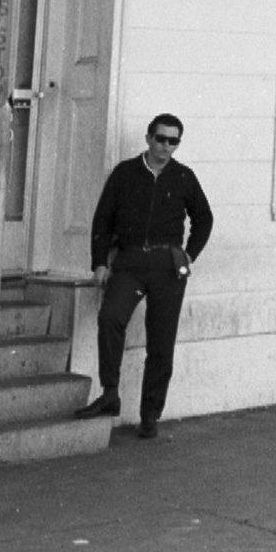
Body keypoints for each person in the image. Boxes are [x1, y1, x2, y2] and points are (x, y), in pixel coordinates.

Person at [77, 113, 214, 439]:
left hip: (167, 266)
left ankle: (150, 415)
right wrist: (100, 262)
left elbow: (204, 219)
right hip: (130, 262)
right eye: (161, 139)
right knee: (110, 318)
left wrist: (188, 256)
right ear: (149, 138)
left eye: (173, 141)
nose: (166, 147)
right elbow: (103, 220)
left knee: (161, 340)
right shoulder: (125, 173)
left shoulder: (183, 177)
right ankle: (110, 394)